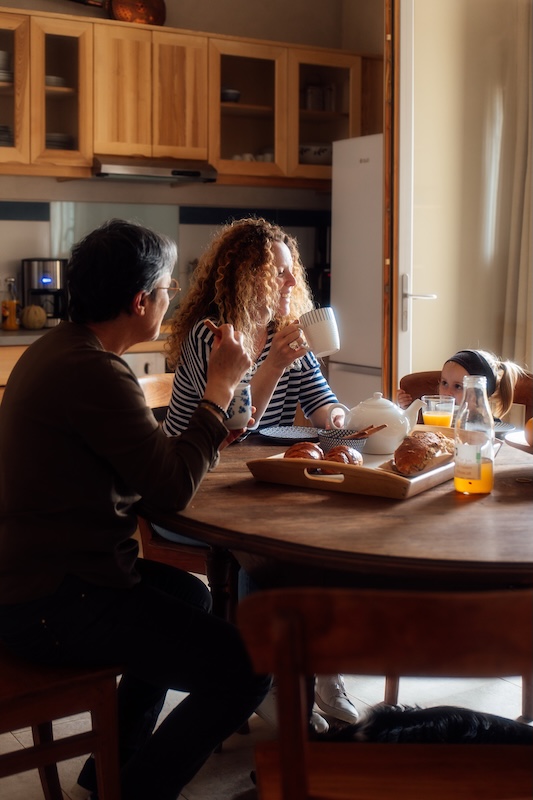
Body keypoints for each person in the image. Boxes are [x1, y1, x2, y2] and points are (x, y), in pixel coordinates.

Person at [0, 219, 270, 800]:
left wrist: (206, 429)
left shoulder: (62, 350)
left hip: (40, 583)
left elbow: (144, 466)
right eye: (169, 288)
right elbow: (170, 491)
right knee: (247, 669)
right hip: (56, 603)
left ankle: (111, 771)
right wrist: (219, 390)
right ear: (141, 299)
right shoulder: (94, 371)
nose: (173, 298)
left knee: (191, 597)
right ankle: (142, 791)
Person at [159, 216, 358, 731]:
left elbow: (323, 406)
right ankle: (264, 679)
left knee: (323, 537)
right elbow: (226, 438)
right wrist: (268, 372)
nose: (294, 283)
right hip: (192, 489)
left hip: (252, 487)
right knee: (265, 548)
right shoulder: (214, 338)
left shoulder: (288, 337)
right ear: (247, 276)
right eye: (280, 273)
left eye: (293, 273)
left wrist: (348, 425)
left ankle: (320, 668)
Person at [397, 348, 526, 419]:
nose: (447, 393)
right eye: (444, 383)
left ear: (480, 393)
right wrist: (404, 411)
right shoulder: (433, 416)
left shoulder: (488, 425)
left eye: (458, 386)